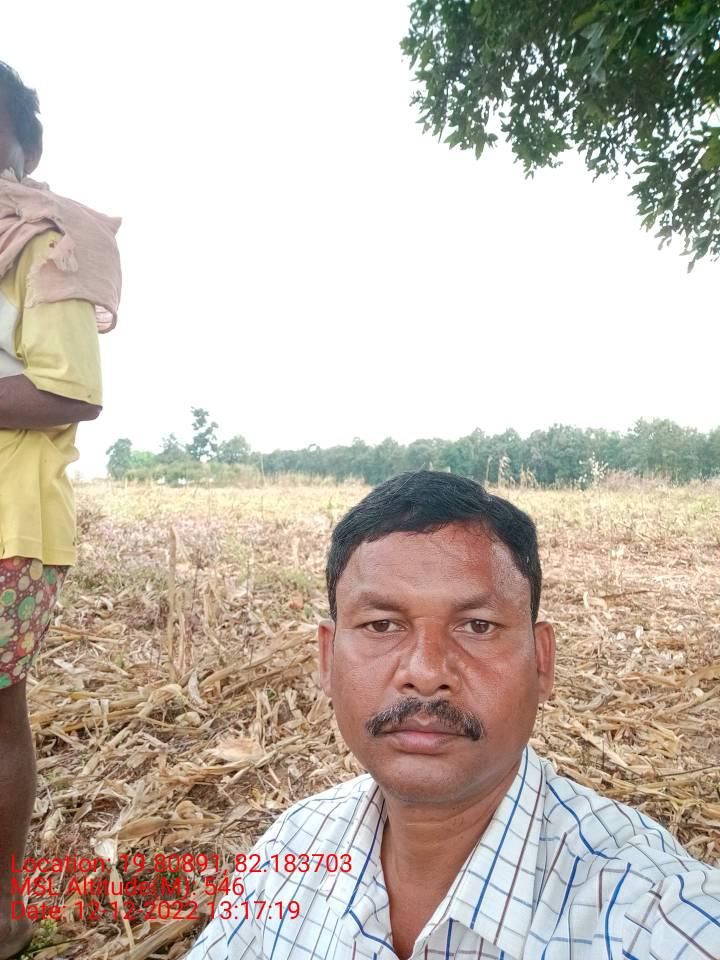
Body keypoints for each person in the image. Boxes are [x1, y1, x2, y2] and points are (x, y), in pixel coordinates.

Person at [187, 471, 720, 960]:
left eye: (477, 626)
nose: (425, 673)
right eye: (381, 625)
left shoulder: (658, 919)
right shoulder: (291, 850)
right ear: (327, 659)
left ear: (542, 661)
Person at [0, 62, 120, 958]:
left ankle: (5, 912)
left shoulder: (47, 246)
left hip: (9, 525)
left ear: (25, 149)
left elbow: (73, 391)